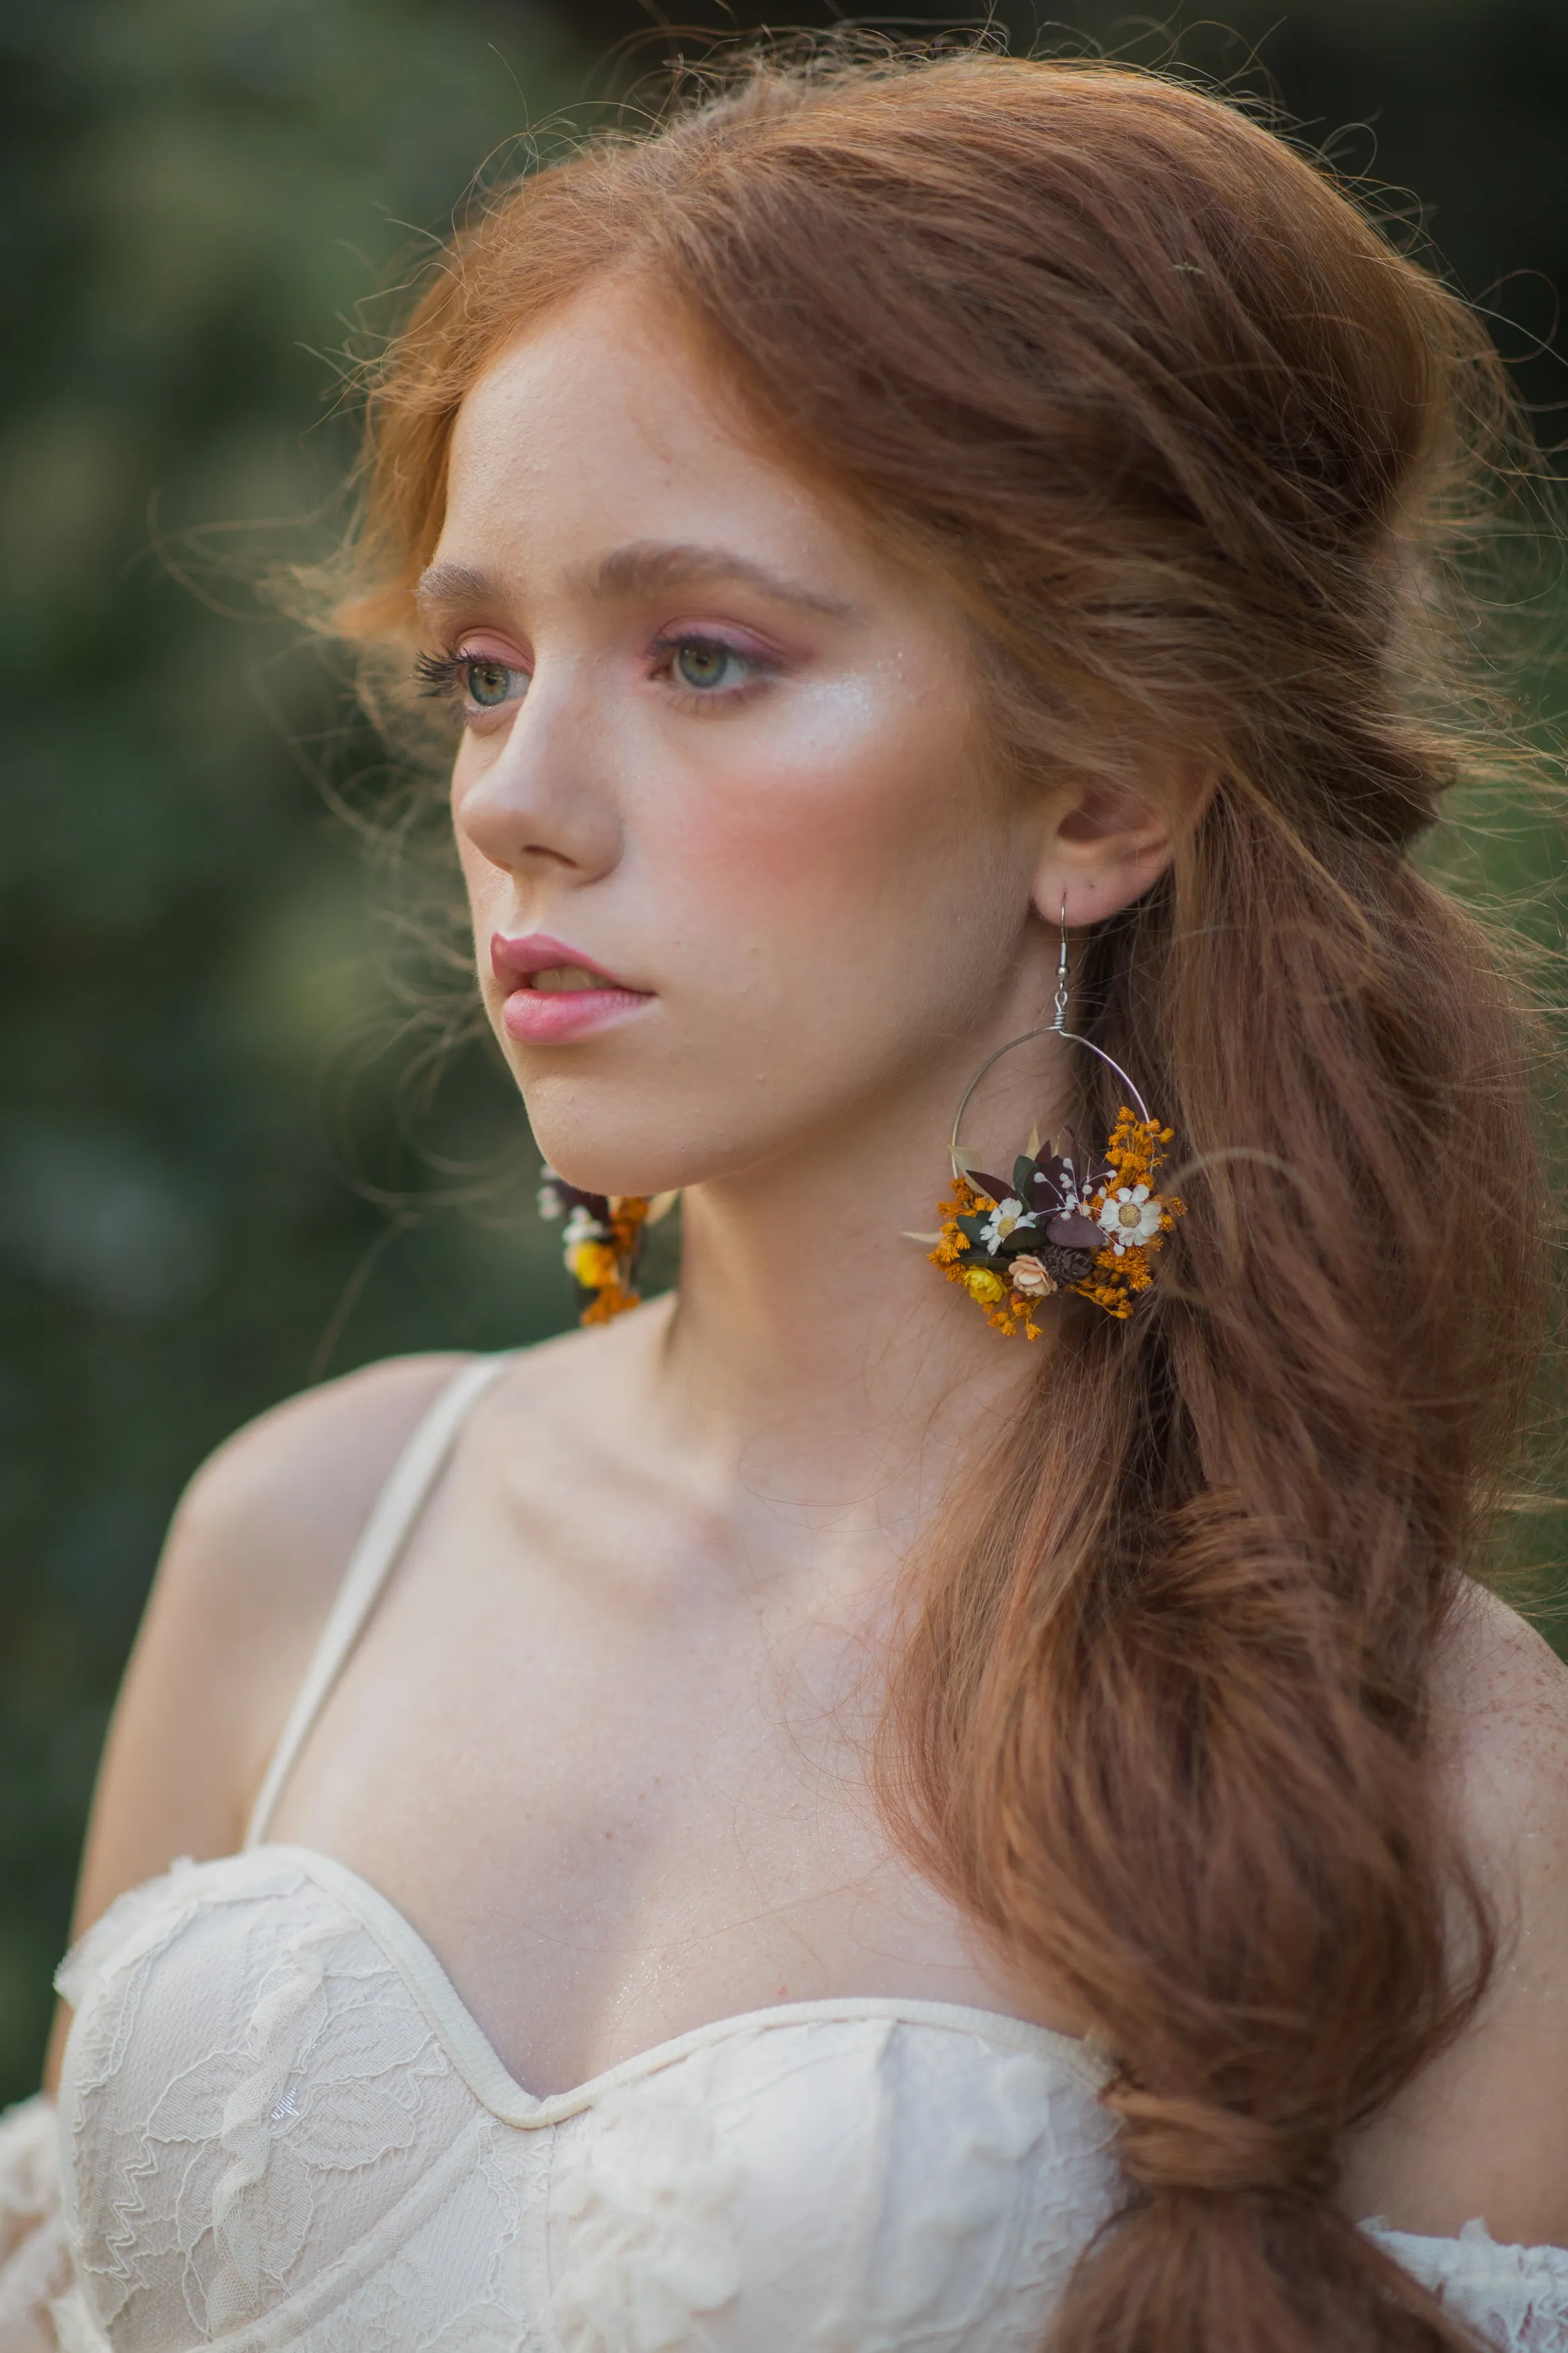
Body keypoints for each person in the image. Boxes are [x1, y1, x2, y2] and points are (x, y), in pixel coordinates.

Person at [3, 42, 1567, 2353]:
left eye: (704, 655)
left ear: (1101, 794)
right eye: (478, 668)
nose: (519, 798)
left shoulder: (1452, 1777)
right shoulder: (307, 1538)